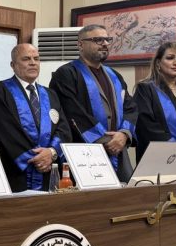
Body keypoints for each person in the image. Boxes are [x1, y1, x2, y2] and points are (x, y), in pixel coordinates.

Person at [49, 24, 138, 183]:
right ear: (80, 45)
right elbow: (72, 112)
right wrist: (106, 141)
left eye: (107, 39)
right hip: (84, 153)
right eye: (98, 40)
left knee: (125, 195)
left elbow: (130, 108)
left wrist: (124, 134)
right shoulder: (66, 74)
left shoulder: (115, 76)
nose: (105, 43)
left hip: (118, 150)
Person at [0, 43, 70, 192]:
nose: (33, 63)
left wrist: (51, 152)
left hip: (48, 173)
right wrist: (36, 158)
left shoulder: (51, 94)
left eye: (36, 59)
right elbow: (4, 131)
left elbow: (63, 129)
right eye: (26, 59)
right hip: (15, 174)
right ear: (13, 65)